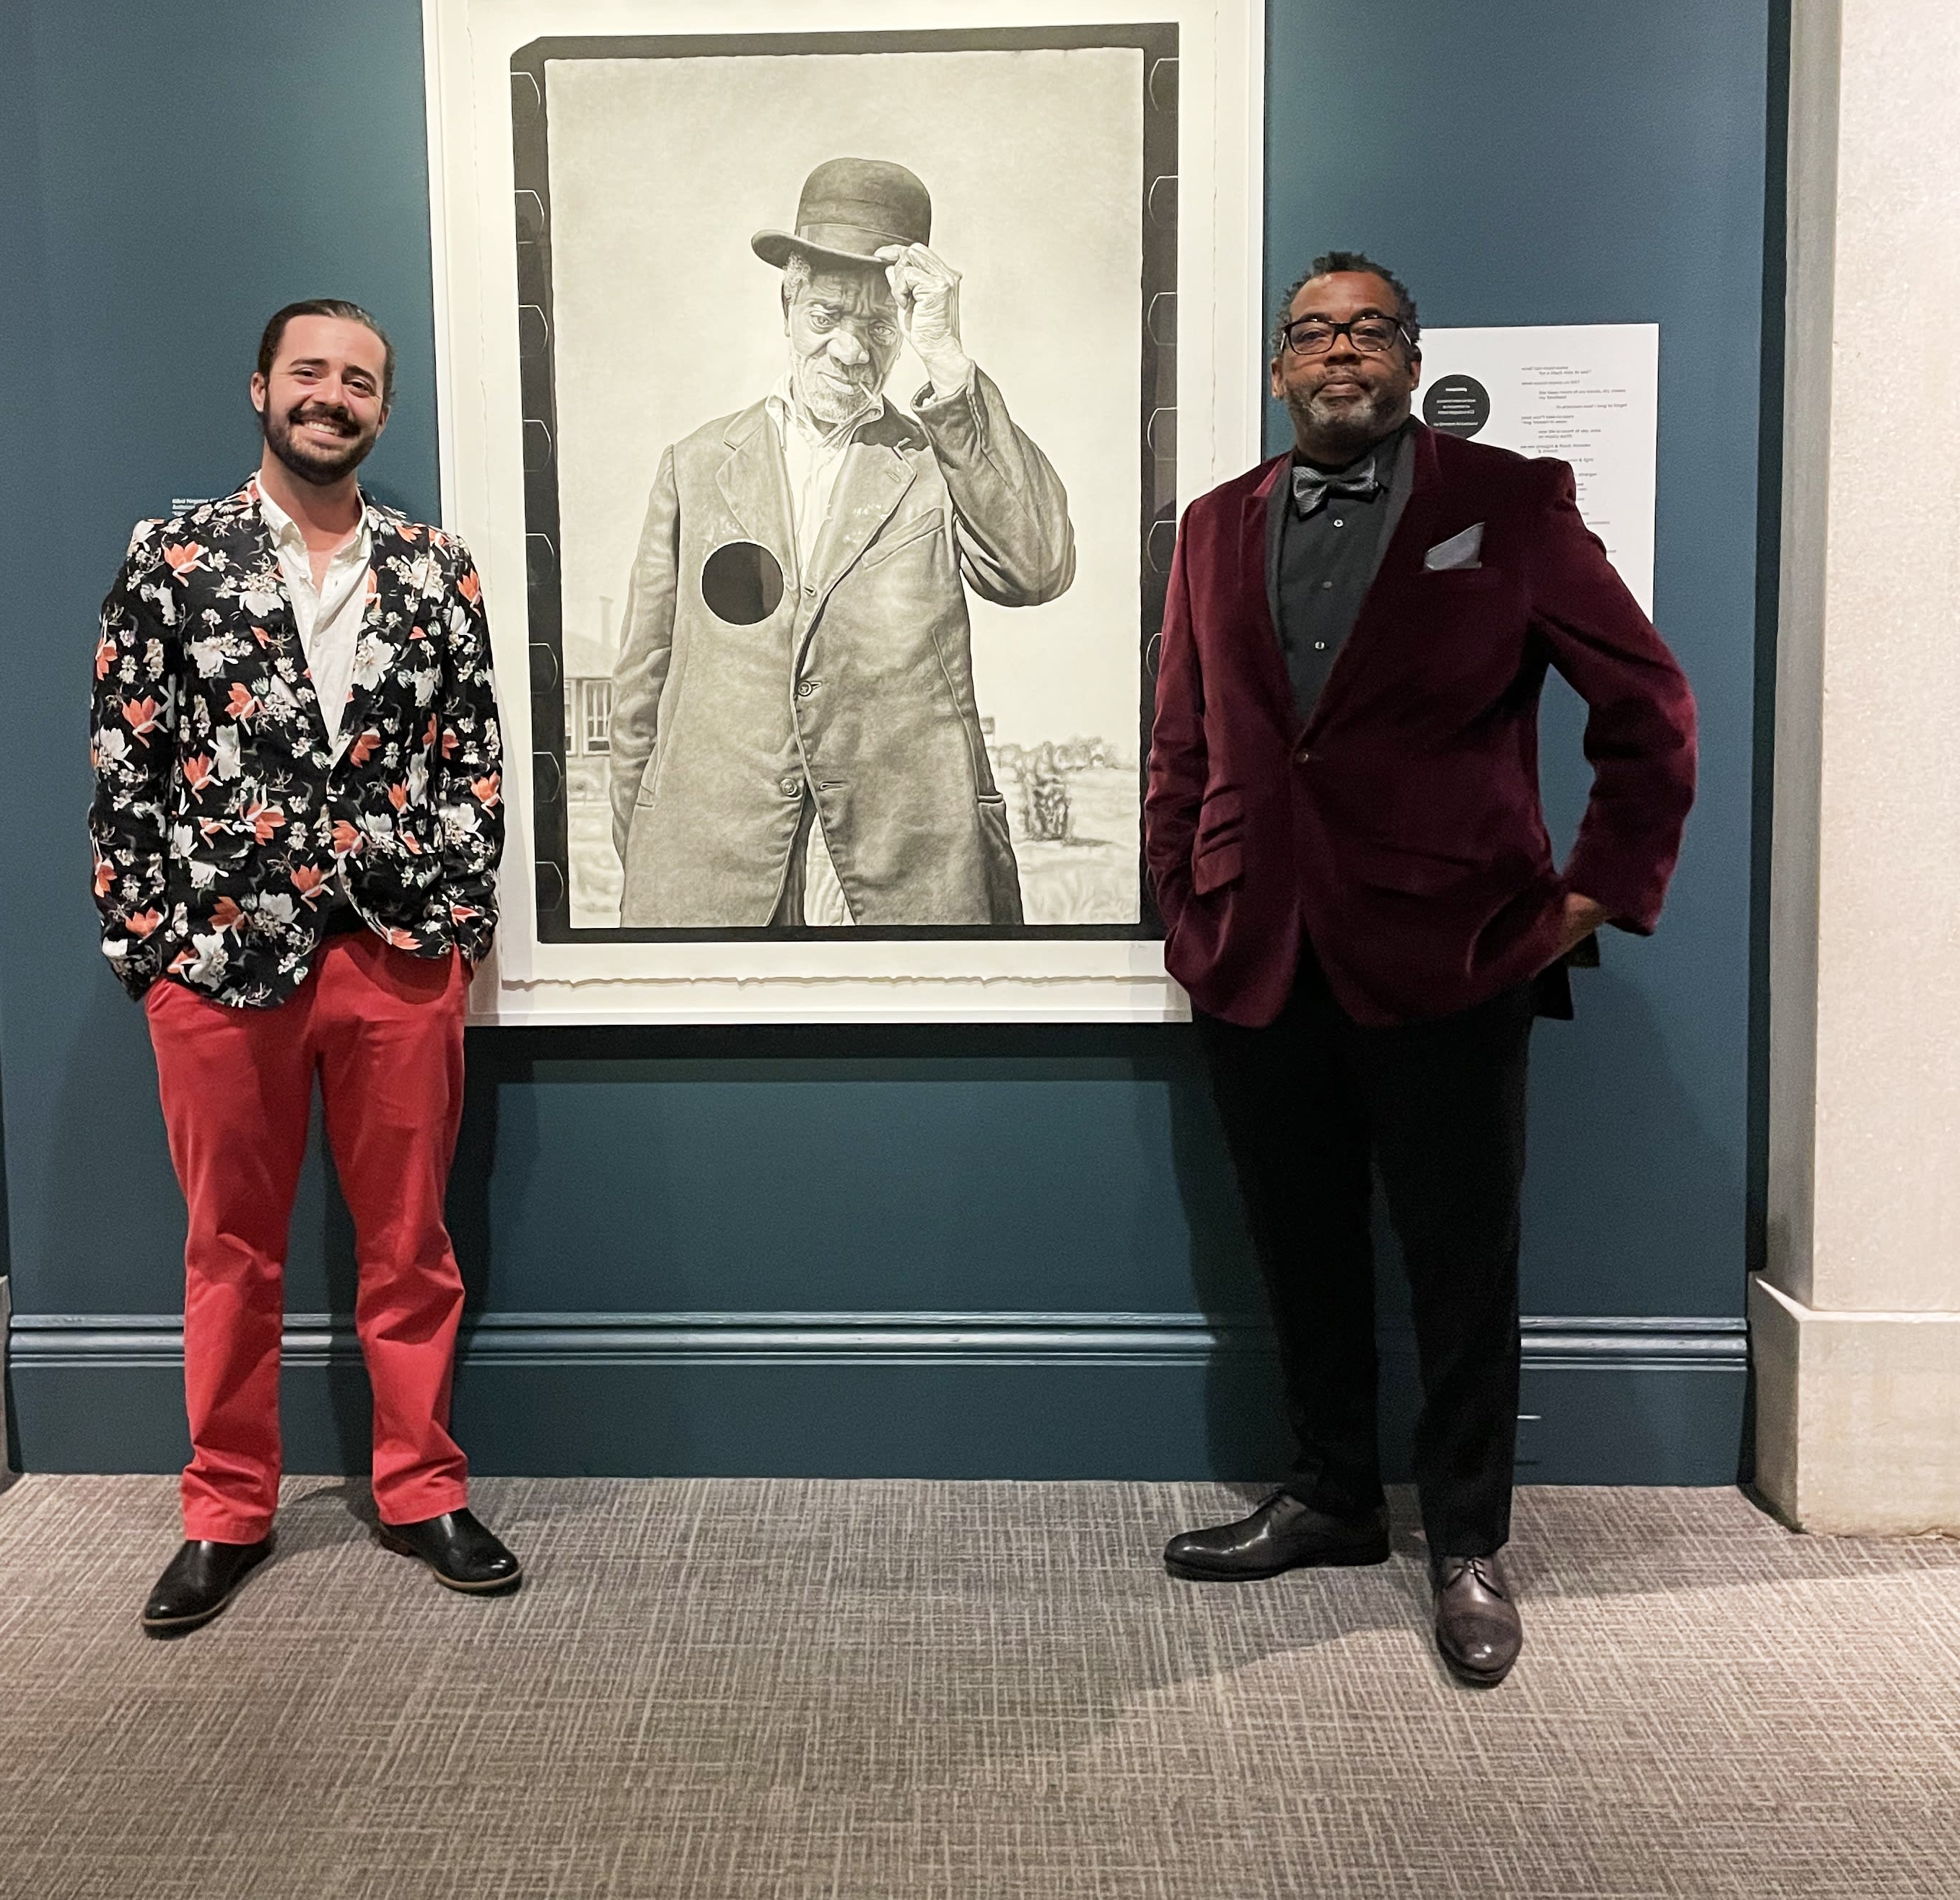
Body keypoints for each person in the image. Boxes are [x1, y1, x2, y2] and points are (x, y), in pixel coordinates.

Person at [1145, 253, 1695, 1686]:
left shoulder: (1503, 505)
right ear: (1280, 363)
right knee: (1302, 1247)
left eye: (1368, 327)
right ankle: (1331, 1493)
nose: (1342, 349)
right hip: (1256, 950)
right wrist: (1178, 906)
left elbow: (1649, 703)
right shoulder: (1212, 527)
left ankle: (1464, 1538)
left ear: (1406, 354)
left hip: (1453, 953)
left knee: (1463, 1264)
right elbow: (1182, 740)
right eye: (1315, 329)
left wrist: (1593, 892)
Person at [89, 297, 516, 1636]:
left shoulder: (435, 567)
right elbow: (124, 758)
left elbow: (473, 759)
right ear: (260, 387)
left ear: (382, 409)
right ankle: (225, 1506)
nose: (333, 395)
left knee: (410, 1243)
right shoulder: (173, 553)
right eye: (311, 373)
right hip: (218, 962)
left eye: (361, 381)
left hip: (397, 956)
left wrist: (451, 919)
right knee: (230, 1249)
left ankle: (419, 1485)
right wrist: (149, 944)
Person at [610, 155, 1075, 927]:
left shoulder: (941, 453)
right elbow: (641, 686)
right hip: (713, 876)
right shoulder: (695, 466)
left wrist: (949, 364)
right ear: (787, 304)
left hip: (904, 878)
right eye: (827, 316)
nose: (851, 351)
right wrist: (661, 852)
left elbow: (1036, 565)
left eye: (879, 326)